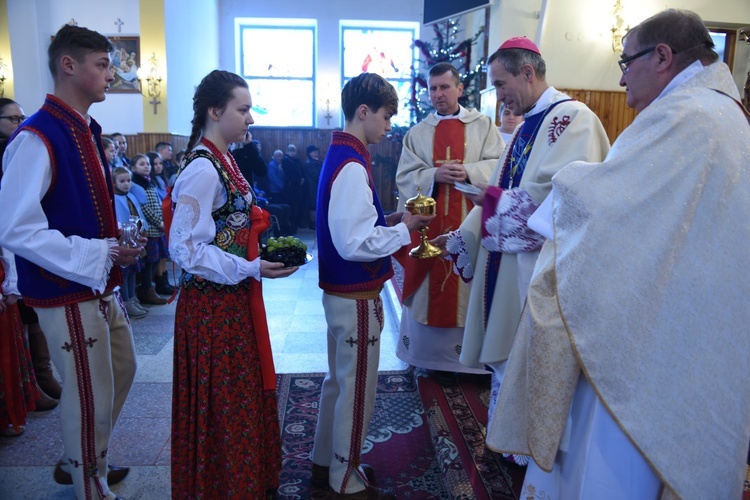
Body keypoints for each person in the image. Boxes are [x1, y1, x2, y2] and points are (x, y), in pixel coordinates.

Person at [487, 10, 750, 499]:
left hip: (650, 336)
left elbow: (605, 205)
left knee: (609, 464)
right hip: (683, 312)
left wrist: (563, 190)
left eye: (627, 61)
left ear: (664, 57)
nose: (622, 75)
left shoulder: (685, 116)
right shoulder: (719, 113)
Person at [437, 37, 609, 451]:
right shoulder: (526, 123)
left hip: (540, 267)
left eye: (500, 84)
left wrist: (492, 200)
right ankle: (509, 438)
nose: (499, 96)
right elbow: (501, 189)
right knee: (508, 360)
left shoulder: (572, 120)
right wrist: (465, 235)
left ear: (528, 73)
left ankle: (534, 448)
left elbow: (564, 198)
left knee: (532, 360)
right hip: (509, 264)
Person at [0, 24, 141, 498]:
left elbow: (76, 207)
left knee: (121, 369)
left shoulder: (81, 128)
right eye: (101, 65)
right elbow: (16, 227)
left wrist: (115, 238)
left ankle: (80, 455)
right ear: (69, 65)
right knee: (89, 388)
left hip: (95, 283)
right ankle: (89, 482)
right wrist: (100, 251)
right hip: (64, 288)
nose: (109, 75)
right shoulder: (38, 135)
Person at [169, 69, 297, 499]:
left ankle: (238, 481)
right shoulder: (204, 169)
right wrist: (251, 268)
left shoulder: (223, 158)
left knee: (234, 396)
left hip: (229, 301)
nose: (250, 119)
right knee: (223, 399)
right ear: (214, 111)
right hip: (211, 308)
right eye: (243, 110)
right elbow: (184, 249)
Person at [311, 72, 435, 500]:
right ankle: (344, 477)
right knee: (357, 386)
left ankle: (324, 460)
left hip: (341, 293)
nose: (388, 127)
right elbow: (354, 242)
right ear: (362, 112)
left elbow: (356, 226)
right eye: (385, 117)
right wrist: (405, 233)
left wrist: (393, 222)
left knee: (338, 382)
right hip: (355, 296)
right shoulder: (351, 164)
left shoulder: (343, 154)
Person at [394, 62, 504, 379]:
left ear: (458, 89)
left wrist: (470, 171)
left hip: (470, 225)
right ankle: (430, 361)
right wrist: (433, 174)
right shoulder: (418, 133)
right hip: (430, 227)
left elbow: (499, 164)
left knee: (470, 288)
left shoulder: (483, 126)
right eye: (433, 88)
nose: (439, 94)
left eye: (445, 87)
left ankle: (472, 364)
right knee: (430, 290)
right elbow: (405, 177)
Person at [129, 154, 169, 305]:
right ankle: (146, 290)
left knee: (156, 259)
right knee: (150, 261)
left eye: (147, 164)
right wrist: (159, 222)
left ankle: (149, 288)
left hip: (157, 227)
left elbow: (156, 203)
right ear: (133, 168)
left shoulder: (149, 181)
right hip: (150, 228)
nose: (146, 166)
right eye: (141, 164)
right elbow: (145, 208)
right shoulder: (137, 184)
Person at [112, 166, 150, 319]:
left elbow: (139, 214)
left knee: (134, 270)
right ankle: (126, 301)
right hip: (124, 241)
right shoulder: (115, 198)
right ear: (114, 183)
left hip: (135, 238)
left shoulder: (131, 196)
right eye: (122, 181)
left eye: (128, 181)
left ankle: (133, 298)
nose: (126, 184)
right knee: (125, 273)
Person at [302, 144, 322, 229]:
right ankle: (313, 223)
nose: (316, 152)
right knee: (313, 206)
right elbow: (315, 176)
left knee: (316, 205)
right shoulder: (309, 163)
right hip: (312, 187)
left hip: (317, 186)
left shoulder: (316, 162)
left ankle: (317, 222)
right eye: (314, 151)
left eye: (316, 151)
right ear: (310, 153)